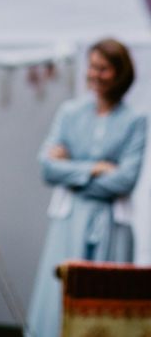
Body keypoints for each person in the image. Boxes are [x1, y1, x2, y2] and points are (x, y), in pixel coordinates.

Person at [27, 38, 146, 337]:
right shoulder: (70, 113)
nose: (95, 74)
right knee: (60, 292)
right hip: (70, 219)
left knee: (107, 299)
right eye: (92, 67)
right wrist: (94, 167)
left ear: (120, 73)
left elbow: (125, 180)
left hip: (112, 223)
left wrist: (71, 169)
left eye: (104, 69)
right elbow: (47, 167)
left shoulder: (136, 120)